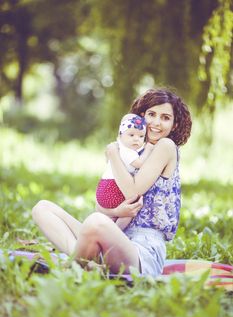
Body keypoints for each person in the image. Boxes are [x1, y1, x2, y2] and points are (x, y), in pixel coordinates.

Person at [32, 88, 192, 277]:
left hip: (141, 250)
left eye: (165, 117)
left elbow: (133, 192)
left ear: (174, 125)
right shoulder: (130, 152)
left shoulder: (166, 147)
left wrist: (113, 154)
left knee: (95, 222)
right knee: (42, 208)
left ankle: (76, 266)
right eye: (151, 114)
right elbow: (102, 204)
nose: (156, 123)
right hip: (112, 235)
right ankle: (84, 262)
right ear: (141, 117)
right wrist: (116, 212)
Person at [96, 113, 154, 230]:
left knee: (117, 214)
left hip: (104, 188)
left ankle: (108, 230)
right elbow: (139, 163)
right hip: (113, 188)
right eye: (131, 135)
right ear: (121, 135)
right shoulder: (126, 150)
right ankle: (116, 232)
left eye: (141, 136)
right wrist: (148, 149)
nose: (136, 139)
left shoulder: (120, 147)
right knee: (132, 207)